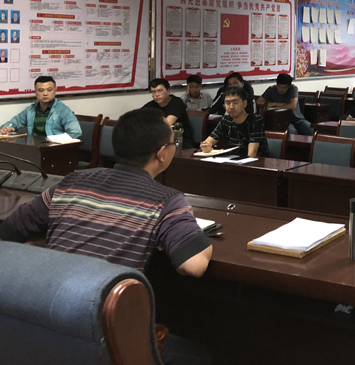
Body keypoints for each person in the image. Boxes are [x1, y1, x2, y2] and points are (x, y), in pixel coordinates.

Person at [0, 108, 212, 276]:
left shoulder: (71, 182)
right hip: (99, 311)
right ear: (162, 153)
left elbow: (11, 229)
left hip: (45, 301)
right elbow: (194, 265)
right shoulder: (167, 201)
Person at [0, 76, 81, 139]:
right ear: (35, 92)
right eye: (41, 90)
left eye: (49, 90)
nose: (45, 94)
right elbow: (14, 122)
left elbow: (75, 132)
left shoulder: (63, 110)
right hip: (34, 149)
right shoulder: (30, 110)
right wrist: (6, 128)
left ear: (55, 91)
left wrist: (56, 141)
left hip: (54, 149)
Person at [200, 87, 267, 158]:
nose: (231, 107)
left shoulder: (256, 120)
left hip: (255, 161)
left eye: (235, 102)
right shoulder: (226, 120)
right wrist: (205, 146)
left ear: (245, 103)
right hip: (233, 159)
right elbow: (208, 141)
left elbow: (252, 154)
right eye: (228, 103)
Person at [142, 78, 194, 148]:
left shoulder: (177, 102)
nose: (157, 95)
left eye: (160, 91)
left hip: (181, 142)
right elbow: (136, 120)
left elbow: (166, 125)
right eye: (153, 92)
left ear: (168, 91)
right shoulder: (151, 105)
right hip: (160, 142)